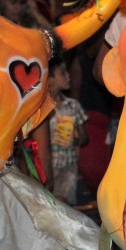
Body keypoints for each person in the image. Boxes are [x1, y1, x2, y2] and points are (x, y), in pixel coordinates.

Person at [48, 58, 88, 208]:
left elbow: (84, 136)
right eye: (63, 73)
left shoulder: (73, 105)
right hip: (47, 166)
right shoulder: (40, 107)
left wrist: (74, 140)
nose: (69, 76)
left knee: (64, 207)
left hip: (68, 165)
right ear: (50, 78)